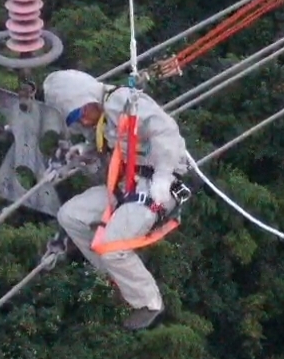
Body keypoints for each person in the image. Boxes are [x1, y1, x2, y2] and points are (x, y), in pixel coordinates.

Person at [42, 69, 188, 330]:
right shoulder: (100, 124)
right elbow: (110, 159)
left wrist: (163, 178)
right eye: (75, 119)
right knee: (70, 215)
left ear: (88, 99)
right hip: (126, 186)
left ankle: (148, 301)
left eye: (80, 113)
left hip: (156, 185)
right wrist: (86, 156)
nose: (82, 121)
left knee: (113, 247)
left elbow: (165, 131)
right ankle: (118, 279)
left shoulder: (121, 102)